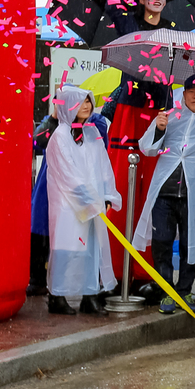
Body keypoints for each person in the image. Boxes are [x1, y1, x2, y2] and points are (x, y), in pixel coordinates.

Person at [133, 74, 195, 313]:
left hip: (194, 196)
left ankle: (184, 290)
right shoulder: (169, 117)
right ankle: (167, 291)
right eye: (191, 92)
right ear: (183, 94)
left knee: (190, 243)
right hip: (165, 192)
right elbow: (147, 148)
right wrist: (159, 128)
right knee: (161, 242)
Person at [44, 87, 121, 315]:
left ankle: (90, 294)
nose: (86, 106)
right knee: (66, 250)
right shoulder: (59, 137)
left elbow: (104, 167)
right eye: (80, 102)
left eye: (88, 101)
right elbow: (67, 174)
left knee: (91, 250)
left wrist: (107, 195)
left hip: (93, 203)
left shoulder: (92, 132)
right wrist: (88, 200)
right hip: (68, 205)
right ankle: (56, 295)